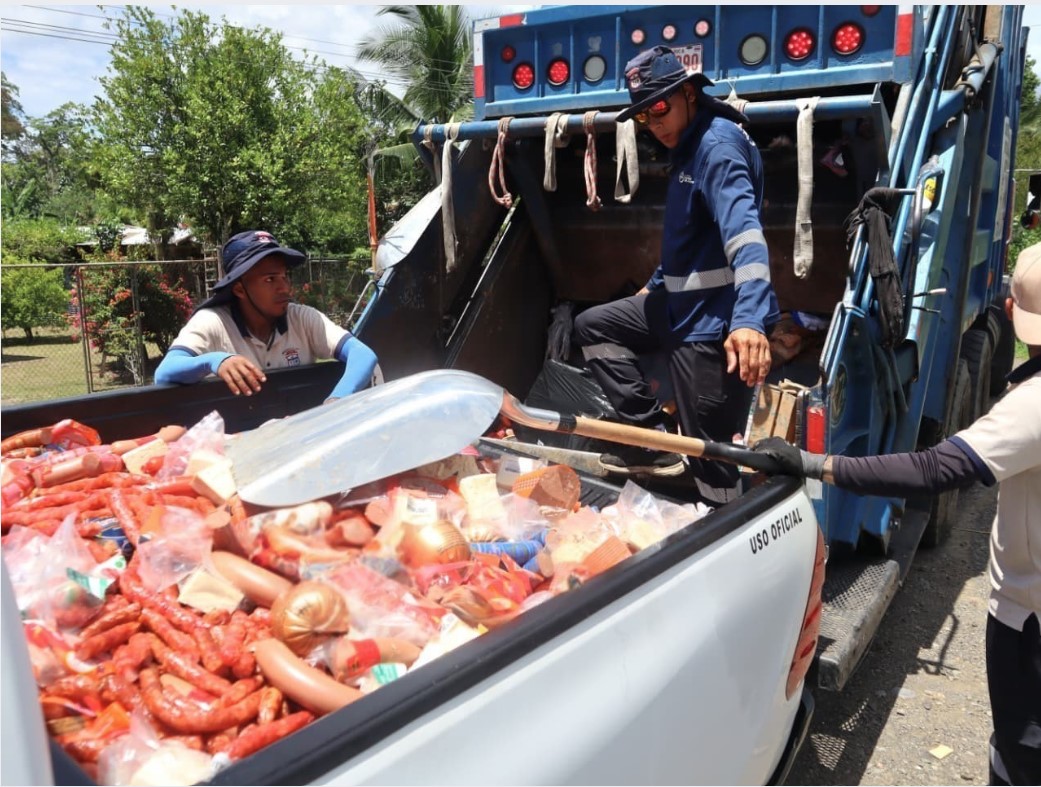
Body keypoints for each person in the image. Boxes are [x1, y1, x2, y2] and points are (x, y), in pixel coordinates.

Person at [753, 243, 1041, 786]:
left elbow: (935, 470)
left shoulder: (1033, 405)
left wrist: (817, 463)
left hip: (1031, 623)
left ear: (1011, 312)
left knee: (1022, 757)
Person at [573, 46, 779, 505]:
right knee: (594, 326)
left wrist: (748, 320)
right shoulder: (688, 148)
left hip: (711, 326)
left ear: (688, 92)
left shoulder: (718, 149)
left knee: (711, 461)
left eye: (660, 107)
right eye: (644, 116)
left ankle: (723, 530)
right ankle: (653, 440)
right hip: (677, 307)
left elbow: (746, 238)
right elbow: (692, 235)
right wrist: (657, 283)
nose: (654, 122)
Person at [155, 229, 378, 402]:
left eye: (284, 277)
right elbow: (164, 374)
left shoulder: (302, 319)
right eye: (270, 279)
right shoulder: (212, 322)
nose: (284, 288)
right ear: (239, 289)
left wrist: (336, 401)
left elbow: (363, 355)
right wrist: (215, 361)